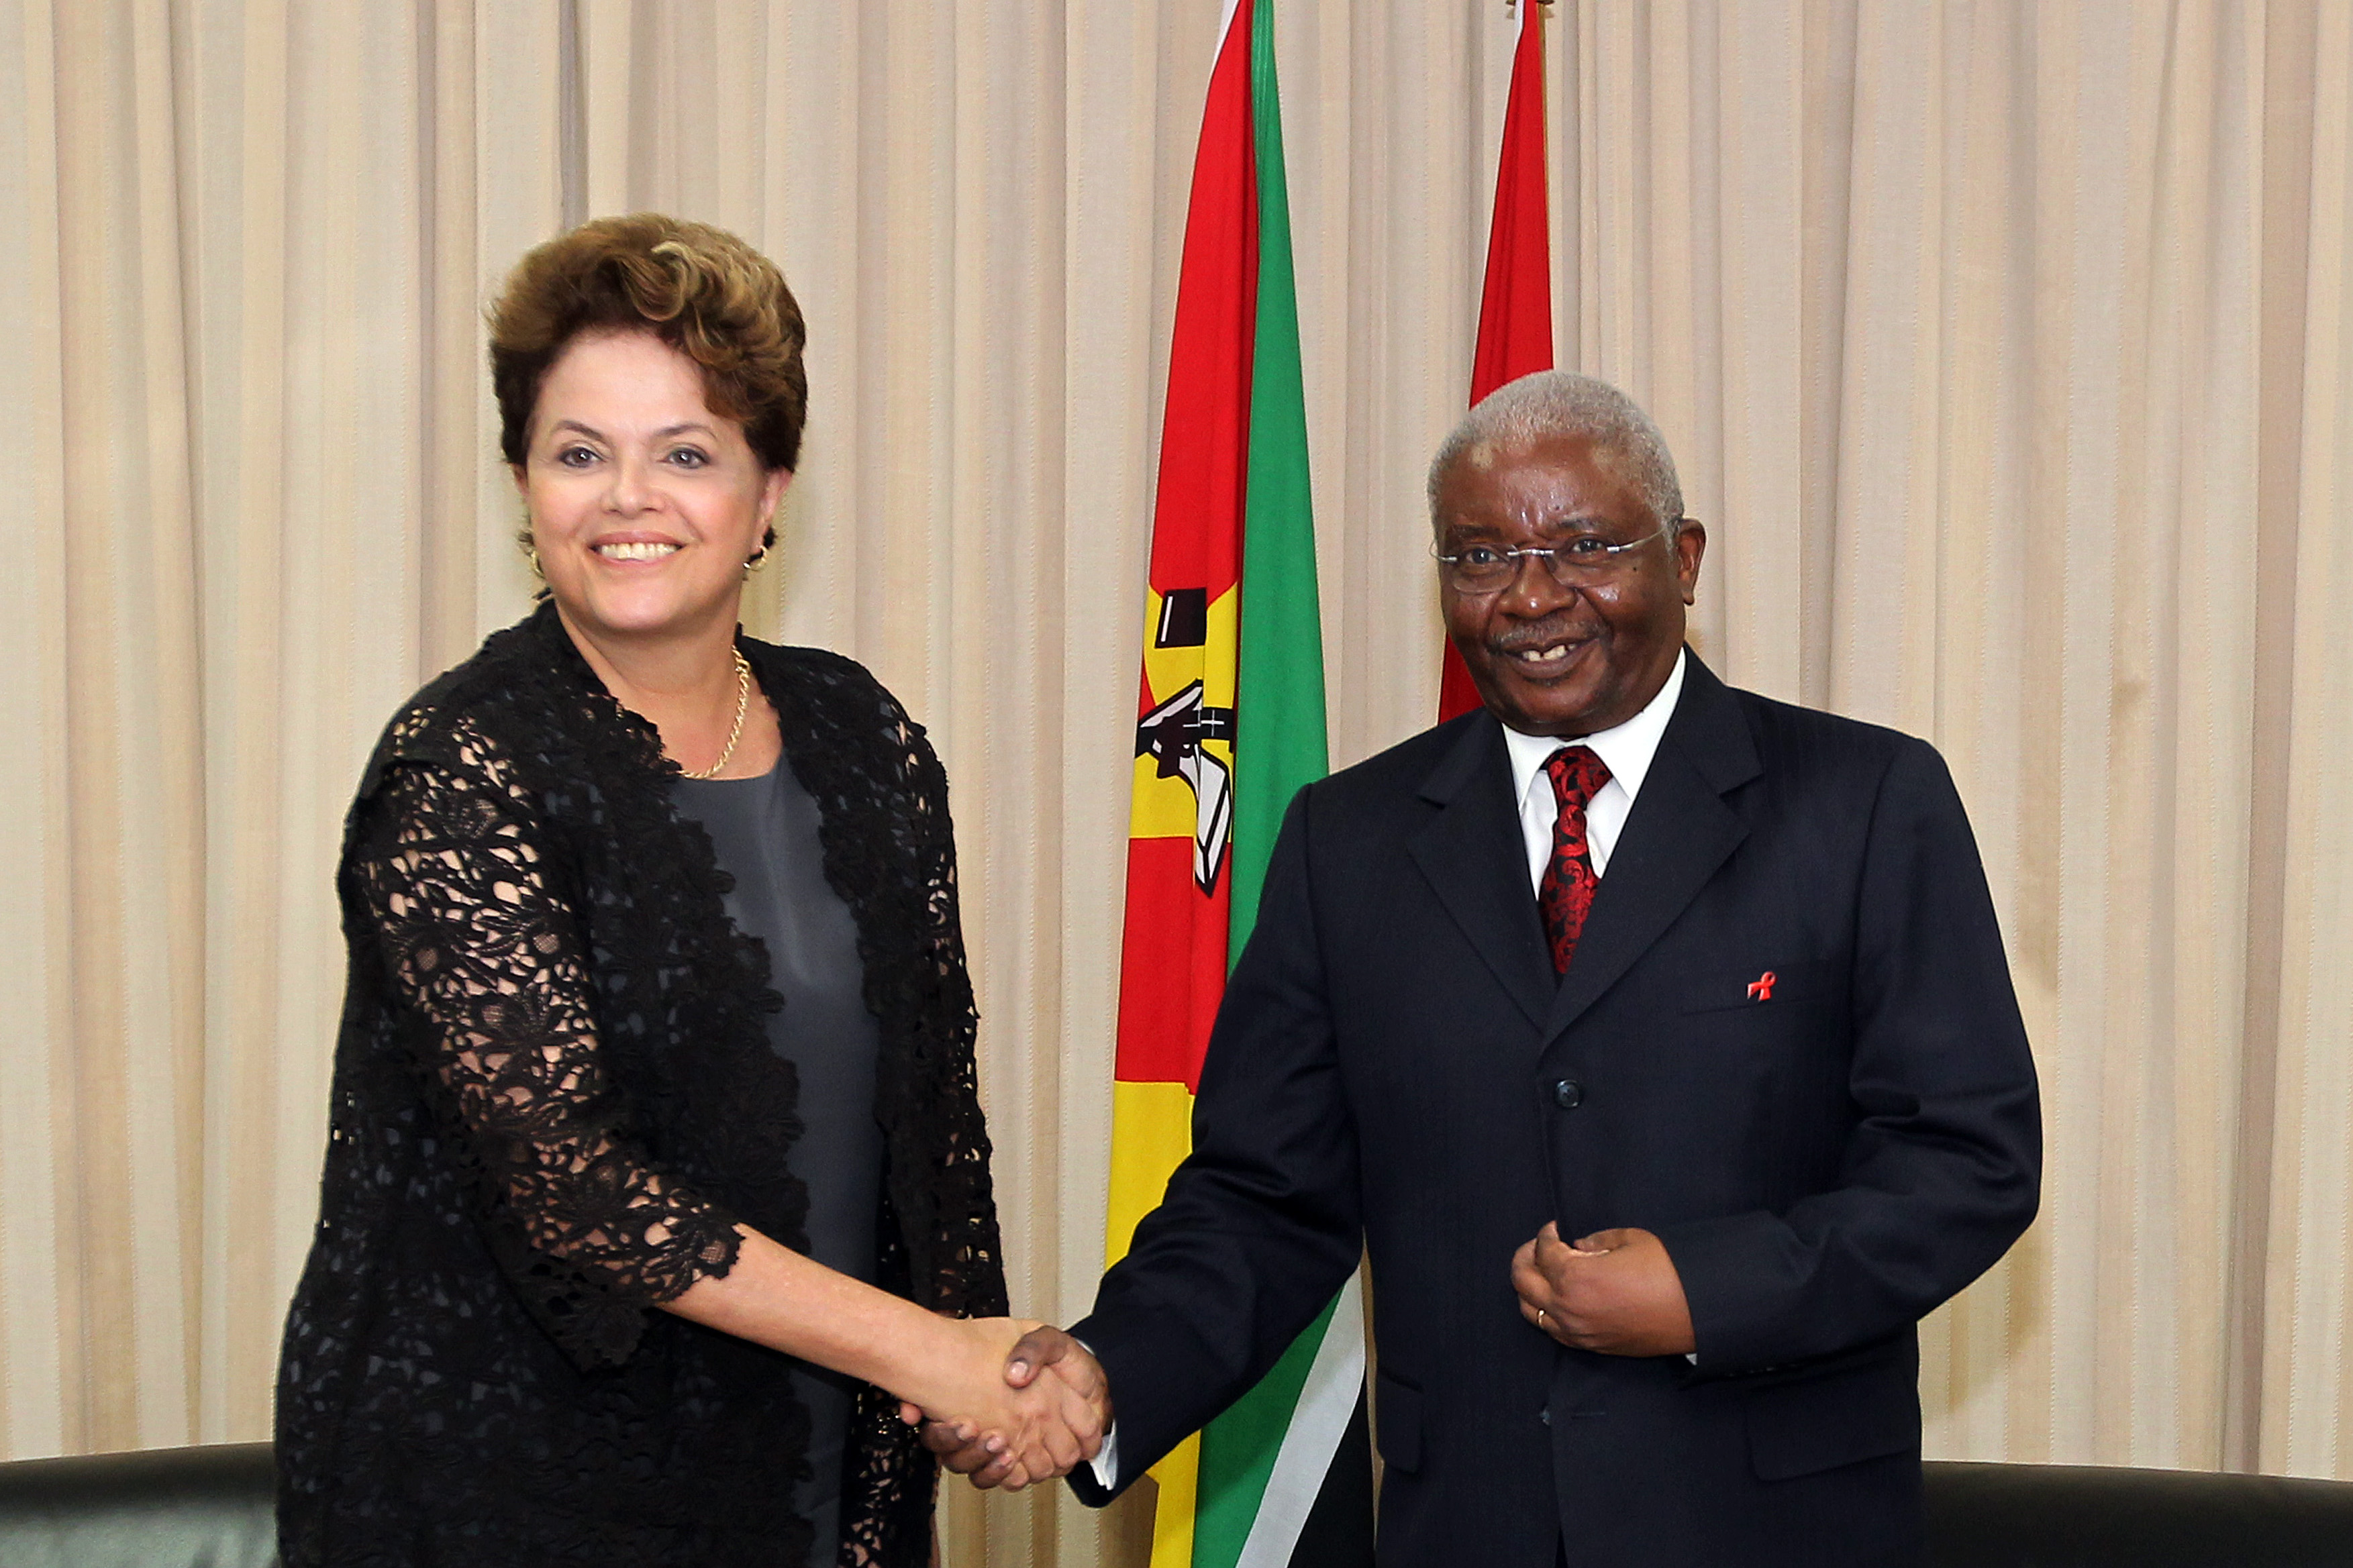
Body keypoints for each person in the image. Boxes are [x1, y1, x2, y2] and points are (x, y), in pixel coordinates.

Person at [932, 371, 2042, 1567]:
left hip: (1776, 1526)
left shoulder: (1863, 802)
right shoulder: (1345, 841)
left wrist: (1706, 1291)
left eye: (1586, 545)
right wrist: (1106, 1371)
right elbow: (1263, 1198)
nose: (1530, 595)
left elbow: (1965, 1160)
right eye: (1478, 555)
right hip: (1465, 1525)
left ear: (1685, 557)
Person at [274, 213, 1100, 1568]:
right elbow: (576, 1192)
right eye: (580, 452)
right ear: (523, 481)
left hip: (824, 1463)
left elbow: (926, 1122)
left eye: (688, 454)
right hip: (511, 1488)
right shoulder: (458, 772)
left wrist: (982, 1385)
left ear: (771, 488)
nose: (627, 499)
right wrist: (933, 1347)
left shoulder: (864, 737)